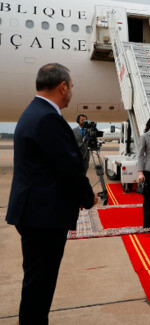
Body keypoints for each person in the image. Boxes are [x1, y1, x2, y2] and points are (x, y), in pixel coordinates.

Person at [6, 63, 97, 324]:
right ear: (63, 86)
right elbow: (68, 166)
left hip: (35, 214)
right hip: (43, 217)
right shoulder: (48, 117)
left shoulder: (33, 112)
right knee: (39, 288)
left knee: (36, 284)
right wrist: (87, 197)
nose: (72, 91)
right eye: (72, 86)